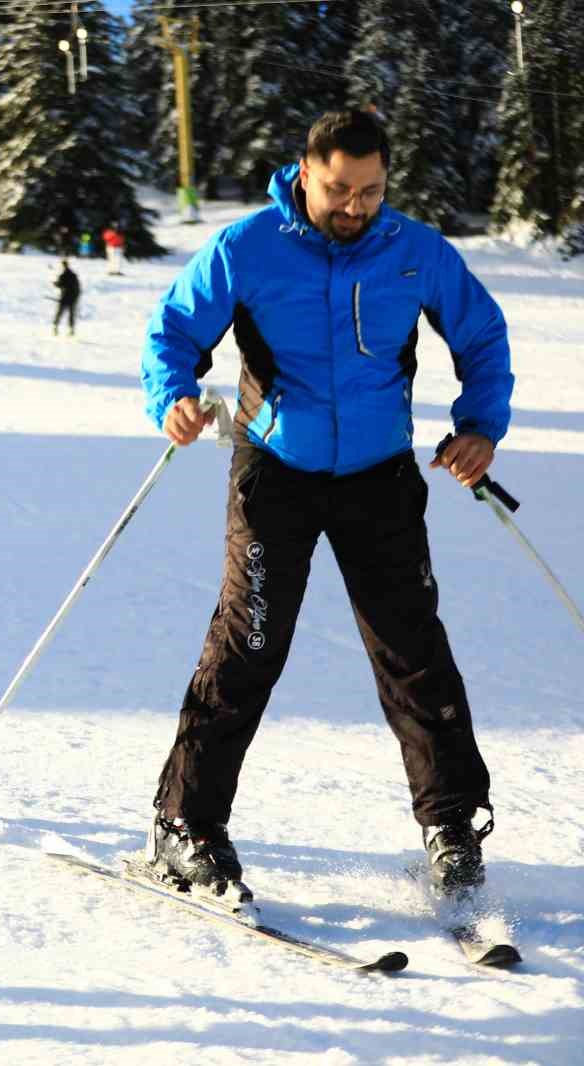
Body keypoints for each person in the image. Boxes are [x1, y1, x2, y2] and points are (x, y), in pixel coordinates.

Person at [138, 109, 513, 897]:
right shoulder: (247, 247)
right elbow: (173, 331)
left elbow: (481, 335)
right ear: (305, 172)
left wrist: (479, 426)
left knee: (412, 648)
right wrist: (171, 396)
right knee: (250, 644)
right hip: (277, 470)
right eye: (340, 190)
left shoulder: (413, 250)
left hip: (379, 475)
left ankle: (451, 828)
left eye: (371, 191)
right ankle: (186, 824)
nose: (355, 207)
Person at [52, 259, 80, 337]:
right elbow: (77, 288)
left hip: (64, 298)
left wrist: (55, 284)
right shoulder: (74, 275)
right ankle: (71, 330)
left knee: (59, 313)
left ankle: (55, 327)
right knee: (71, 314)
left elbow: (60, 285)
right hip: (72, 298)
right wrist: (76, 297)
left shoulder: (62, 275)